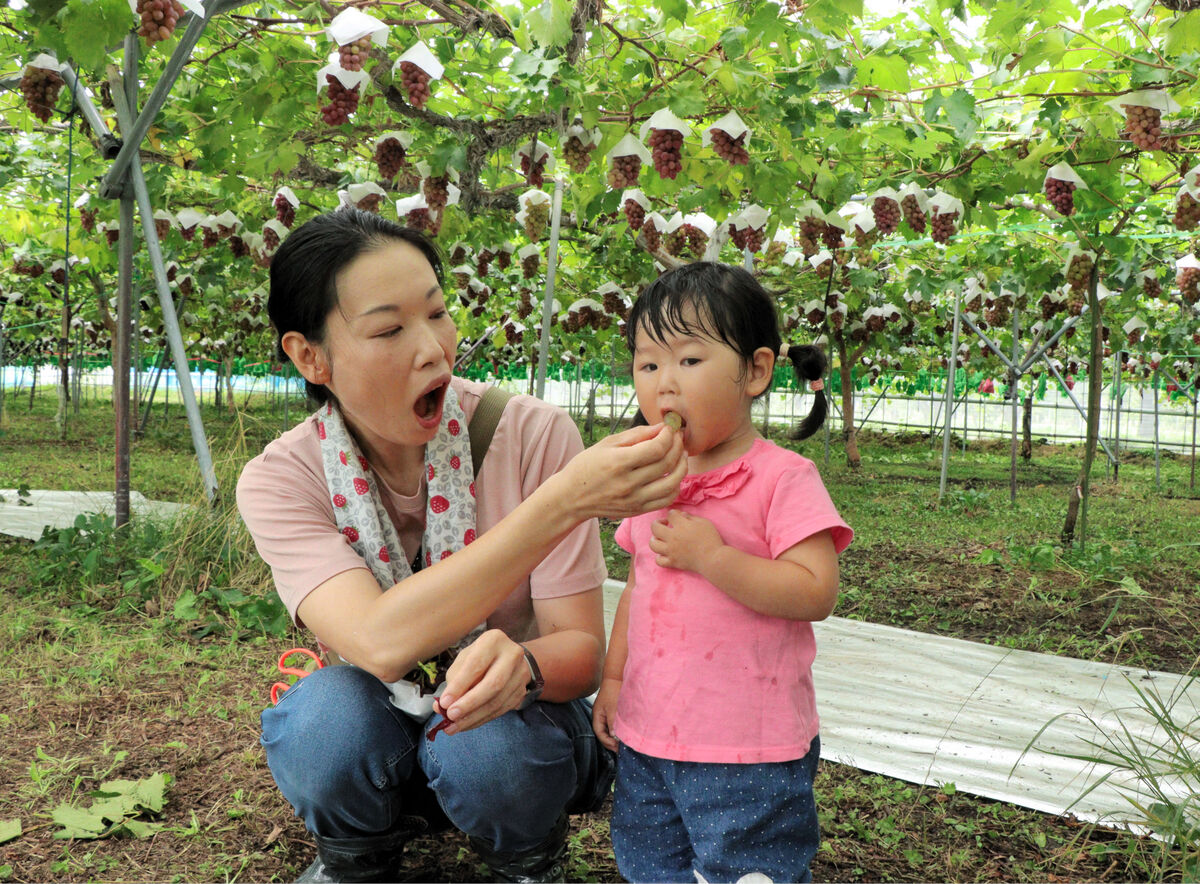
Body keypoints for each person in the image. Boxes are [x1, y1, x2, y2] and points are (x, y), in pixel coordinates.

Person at [236, 208, 686, 883]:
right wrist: (563, 501)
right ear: (310, 356)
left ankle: (526, 859)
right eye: (389, 329)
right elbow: (379, 642)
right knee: (322, 718)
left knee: (491, 747)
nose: (434, 349)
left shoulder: (532, 435)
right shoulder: (282, 478)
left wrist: (526, 667)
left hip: (507, 739)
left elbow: (583, 654)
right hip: (380, 730)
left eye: (438, 313)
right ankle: (358, 858)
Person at [591, 262, 854, 884]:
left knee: (745, 869)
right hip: (650, 732)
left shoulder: (782, 477)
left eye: (689, 361)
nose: (664, 385)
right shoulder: (653, 480)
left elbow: (816, 590)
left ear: (755, 372)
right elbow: (637, 587)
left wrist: (714, 557)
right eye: (648, 364)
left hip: (749, 746)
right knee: (652, 864)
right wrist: (612, 678)